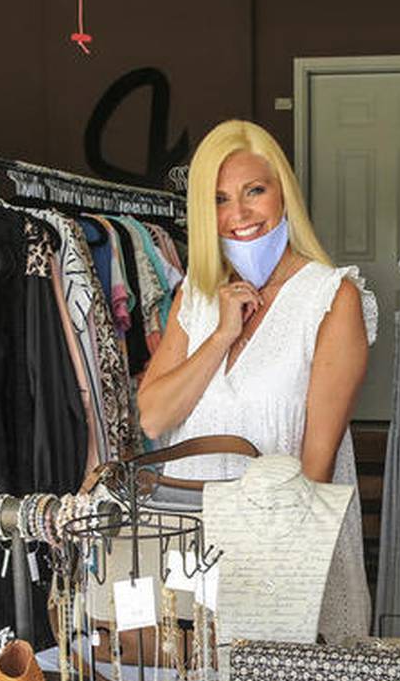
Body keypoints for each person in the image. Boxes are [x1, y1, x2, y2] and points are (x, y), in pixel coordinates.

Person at [138, 119, 376, 642]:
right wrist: (221, 336)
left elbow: (315, 468)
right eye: (220, 199)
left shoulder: (331, 298)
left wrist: (262, 587)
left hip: (287, 562)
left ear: (283, 194)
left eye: (254, 191)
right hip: (193, 554)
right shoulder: (196, 299)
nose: (239, 214)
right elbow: (154, 416)